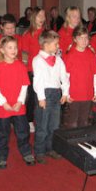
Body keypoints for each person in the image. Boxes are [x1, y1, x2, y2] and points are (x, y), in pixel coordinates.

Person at [0, 36, 35, 169]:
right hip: (2, 107)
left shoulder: (20, 65)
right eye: (10, 47)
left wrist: (20, 102)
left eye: (15, 47)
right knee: (3, 133)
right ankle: (1, 156)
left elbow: (24, 85)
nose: (14, 50)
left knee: (23, 130)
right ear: (2, 50)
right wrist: (4, 103)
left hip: (18, 106)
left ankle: (26, 151)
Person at [33, 30, 69, 164]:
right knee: (42, 125)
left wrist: (65, 92)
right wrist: (41, 97)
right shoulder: (38, 60)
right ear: (46, 44)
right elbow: (38, 81)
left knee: (54, 125)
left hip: (56, 93)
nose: (58, 46)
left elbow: (64, 77)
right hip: (45, 94)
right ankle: (39, 151)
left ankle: (50, 148)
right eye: (56, 44)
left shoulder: (58, 59)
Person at [63, 26, 96, 128]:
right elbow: (66, 77)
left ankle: (82, 142)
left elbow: (95, 75)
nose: (84, 41)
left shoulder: (91, 55)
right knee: (72, 122)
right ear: (75, 39)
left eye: (86, 38)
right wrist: (66, 93)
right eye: (80, 38)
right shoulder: (70, 55)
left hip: (88, 95)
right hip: (74, 95)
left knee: (85, 122)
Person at [22, 7, 46, 129]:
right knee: (32, 96)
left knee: (43, 95)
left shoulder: (47, 33)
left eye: (43, 16)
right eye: (39, 16)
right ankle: (29, 120)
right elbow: (25, 53)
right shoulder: (28, 34)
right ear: (33, 18)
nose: (42, 18)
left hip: (46, 69)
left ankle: (42, 118)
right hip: (32, 70)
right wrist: (25, 70)